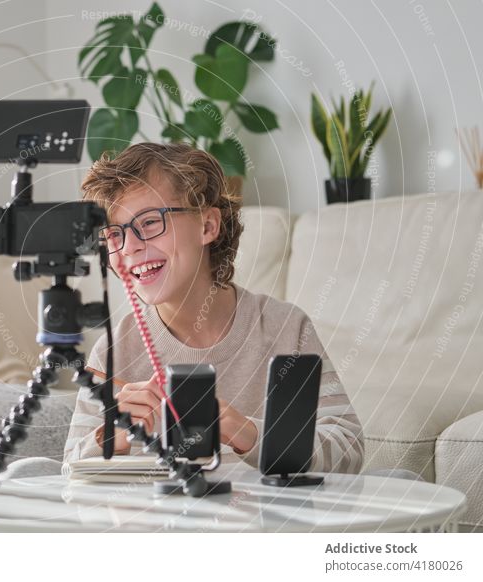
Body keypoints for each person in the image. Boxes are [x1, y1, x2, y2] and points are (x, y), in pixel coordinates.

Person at [63, 142, 364, 473]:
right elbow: (70, 469)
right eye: (113, 234)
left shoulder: (285, 329)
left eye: (149, 223)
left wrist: (247, 432)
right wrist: (114, 435)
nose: (129, 247)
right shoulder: (115, 349)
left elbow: (348, 449)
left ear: (207, 226)